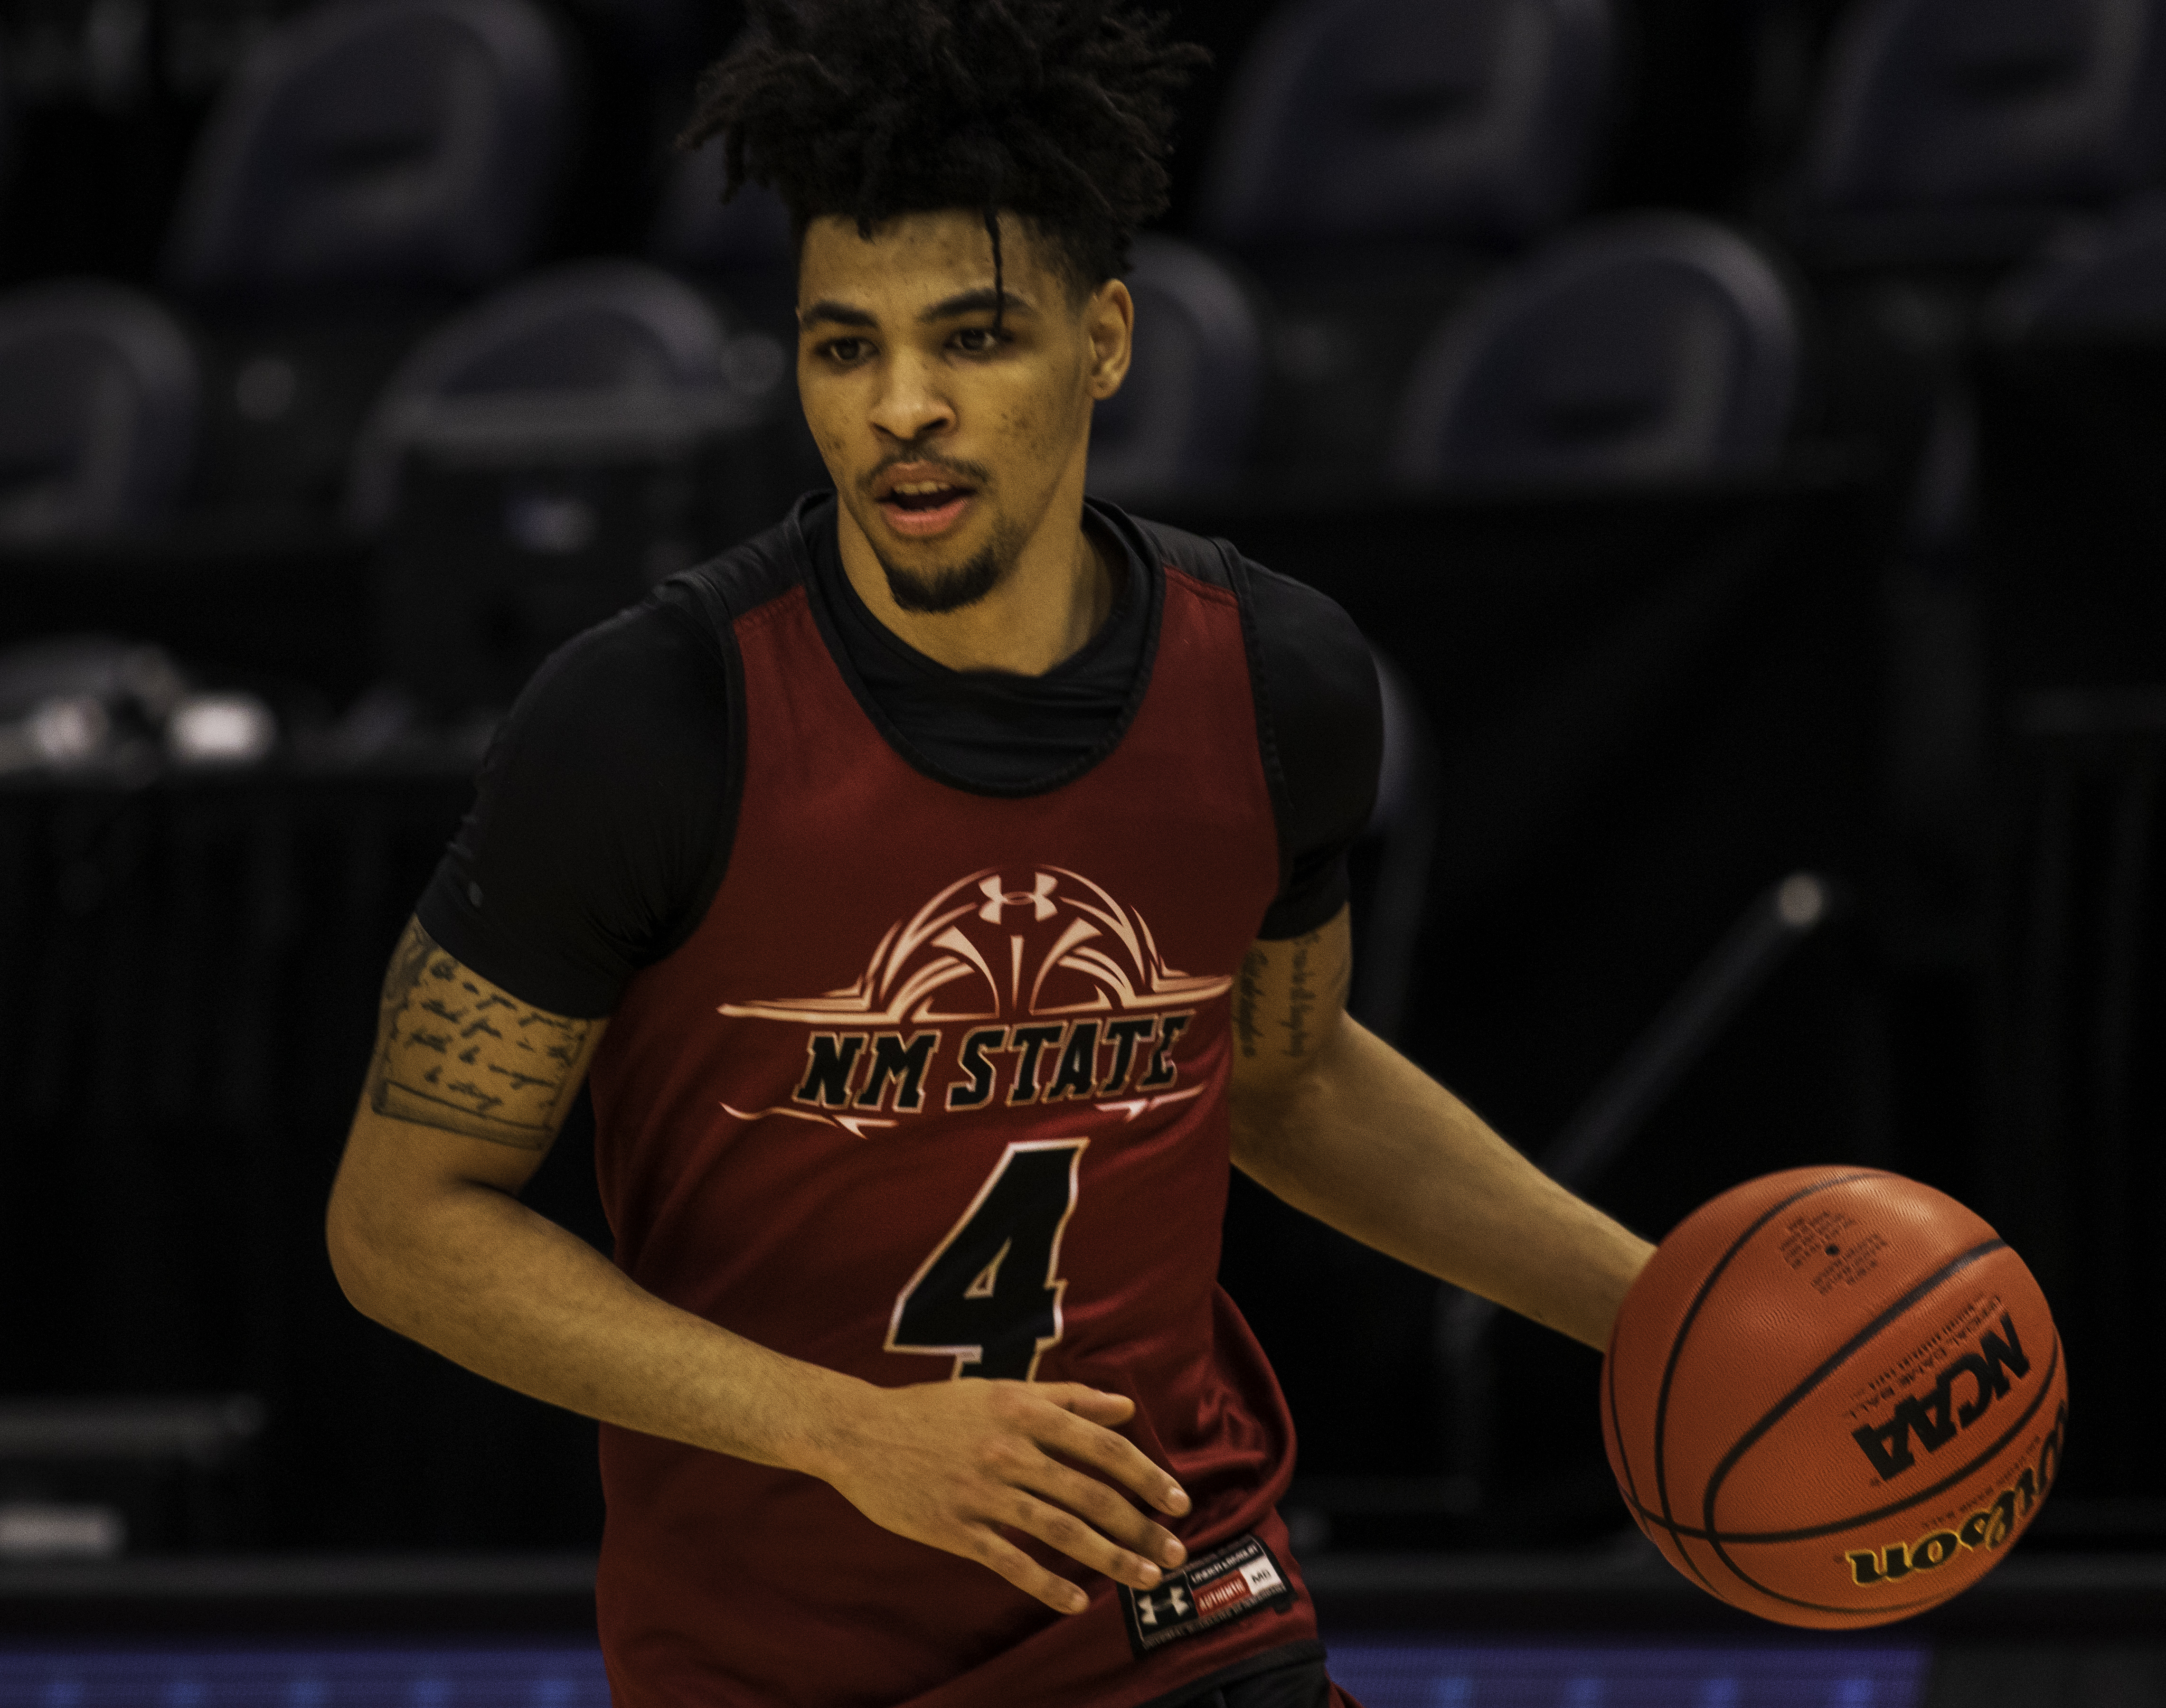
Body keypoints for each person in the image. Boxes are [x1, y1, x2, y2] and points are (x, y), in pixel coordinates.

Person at [325, 2, 1657, 1702]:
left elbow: (1288, 1082)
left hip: (1185, 1618)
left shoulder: (1275, 681)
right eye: (840, 347)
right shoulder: (649, 721)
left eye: (973, 340)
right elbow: (401, 1224)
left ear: (1104, 340)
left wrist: (1671, 1311)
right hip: (777, 1661)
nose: (900, 409)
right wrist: (844, 1432)